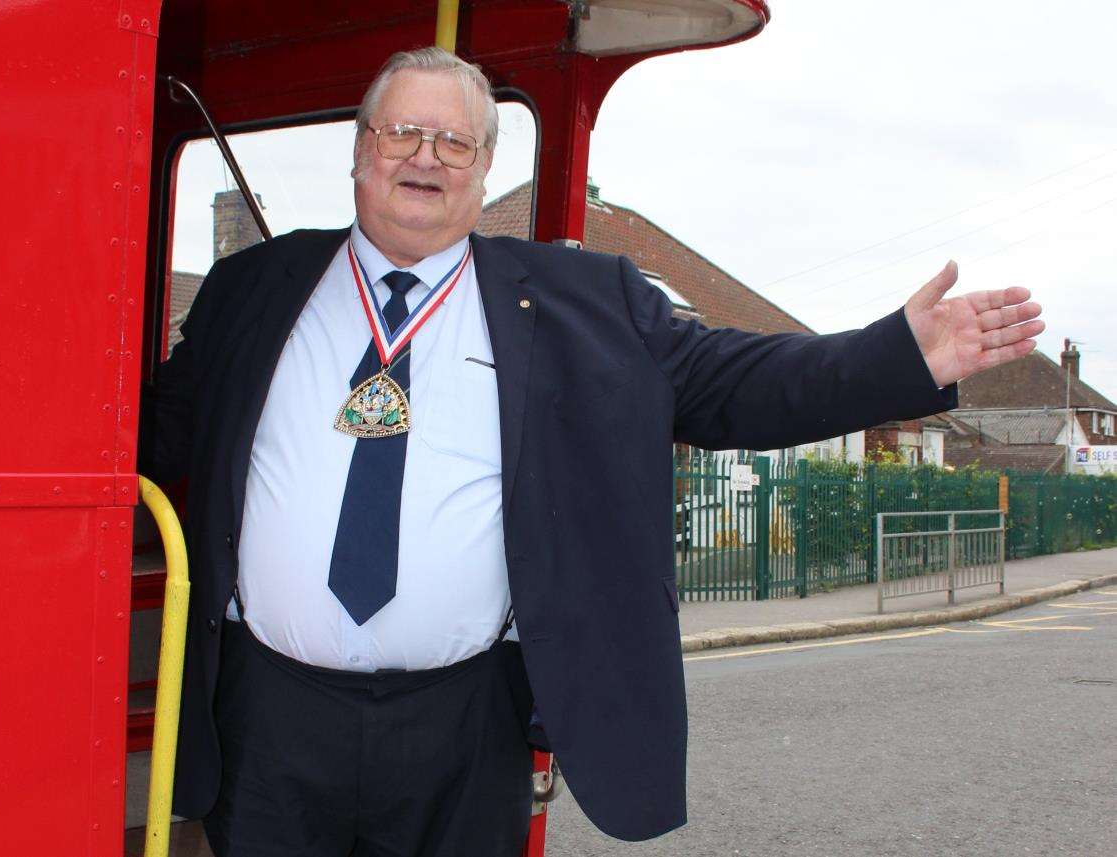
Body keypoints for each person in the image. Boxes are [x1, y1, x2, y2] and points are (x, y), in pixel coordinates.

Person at [140, 47, 1044, 857]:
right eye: (403, 132)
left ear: (486, 165)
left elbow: (733, 381)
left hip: (463, 726)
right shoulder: (254, 289)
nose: (426, 157)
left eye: (455, 143)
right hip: (269, 718)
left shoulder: (579, 302)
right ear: (359, 149)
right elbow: (147, 429)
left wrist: (899, 355)